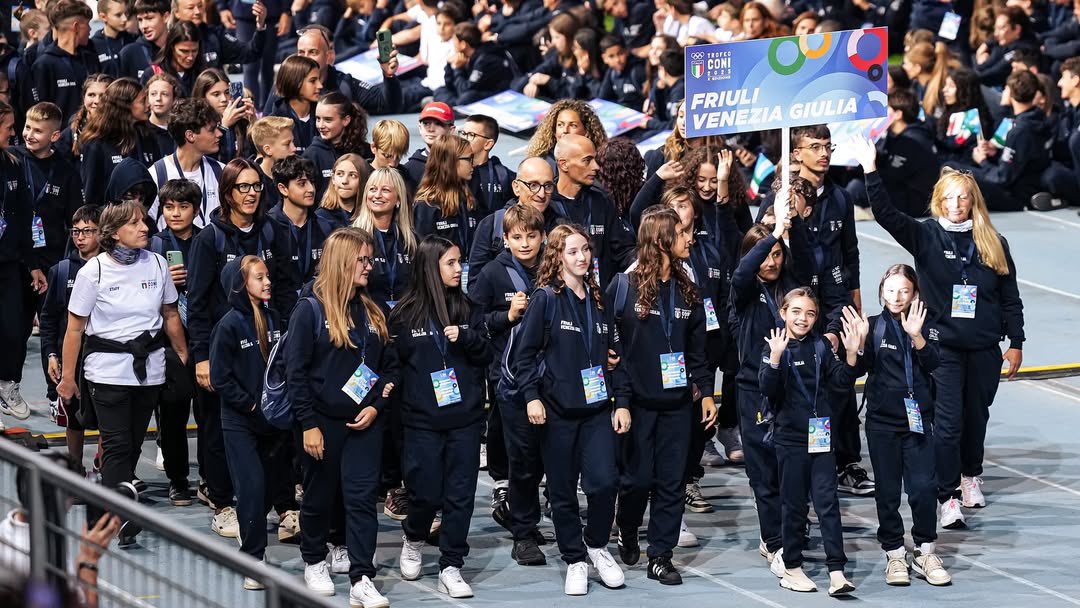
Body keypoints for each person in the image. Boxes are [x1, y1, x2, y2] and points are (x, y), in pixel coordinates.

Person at [856, 139, 1024, 530]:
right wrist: (870, 169)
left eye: (963, 198)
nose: (956, 204)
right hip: (941, 347)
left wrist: (1015, 342)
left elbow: (1010, 297)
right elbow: (884, 214)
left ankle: (970, 475)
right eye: (949, 197)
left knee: (975, 417)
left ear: (973, 201)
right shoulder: (926, 235)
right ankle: (947, 495)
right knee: (947, 424)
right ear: (938, 199)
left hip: (984, 347)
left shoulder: (993, 244)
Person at [56, 200, 189, 547]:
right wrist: (68, 379)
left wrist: (183, 354)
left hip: (149, 372)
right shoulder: (93, 271)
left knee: (130, 445)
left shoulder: (158, 263)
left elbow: (170, 313)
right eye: (134, 223)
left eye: (144, 221)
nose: (145, 227)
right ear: (114, 233)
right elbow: (74, 329)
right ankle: (122, 515)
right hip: (106, 372)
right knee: (116, 445)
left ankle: (112, 499)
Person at [509, 223, 627, 592]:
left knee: (605, 483)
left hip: (595, 410)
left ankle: (596, 545)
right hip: (557, 412)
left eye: (586, 250)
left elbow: (614, 357)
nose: (582, 257)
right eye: (573, 251)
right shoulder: (545, 298)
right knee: (561, 492)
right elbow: (523, 356)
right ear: (558, 256)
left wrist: (620, 401)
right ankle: (574, 558)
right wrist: (531, 397)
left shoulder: (598, 298)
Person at [187, 158, 300, 538]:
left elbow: (285, 288)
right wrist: (201, 355)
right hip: (225, 347)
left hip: (270, 345)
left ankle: (284, 505)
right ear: (227, 192)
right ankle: (222, 502)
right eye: (243, 187)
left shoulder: (274, 229)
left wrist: (285, 337)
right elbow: (198, 302)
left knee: (278, 425)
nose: (251, 194)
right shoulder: (209, 238)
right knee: (221, 428)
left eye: (256, 186)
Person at [287, 228, 395, 606]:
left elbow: (388, 367)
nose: (369, 267)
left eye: (370, 259)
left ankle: (362, 575)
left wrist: (375, 406)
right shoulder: (310, 309)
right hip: (322, 422)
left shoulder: (371, 309)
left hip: (365, 423)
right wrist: (308, 424)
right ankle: (314, 559)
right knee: (319, 496)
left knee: (363, 500)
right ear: (341, 262)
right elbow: (295, 373)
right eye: (362, 260)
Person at [610, 207, 714, 586]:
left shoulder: (689, 289)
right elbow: (612, 349)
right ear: (661, 241)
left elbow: (697, 347)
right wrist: (621, 400)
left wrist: (703, 391)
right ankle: (628, 525)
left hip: (678, 406)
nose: (690, 239)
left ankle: (660, 555)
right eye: (683, 233)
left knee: (671, 482)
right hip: (637, 405)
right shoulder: (624, 287)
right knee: (636, 481)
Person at [389, 236, 492, 600]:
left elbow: (485, 354)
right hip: (421, 423)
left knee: (461, 496)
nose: (458, 269)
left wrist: (466, 338)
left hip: (464, 420)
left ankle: (451, 565)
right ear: (431, 267)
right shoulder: (403, 315)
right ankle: (414, 536)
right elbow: (394, 367)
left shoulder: (469, 308)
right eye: (450, 263)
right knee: (425, 493)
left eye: (459, 262)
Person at [852, 264, 952, 587]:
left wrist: (917, 337)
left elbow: (936, 363)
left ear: (914, 294)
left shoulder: (925, 323)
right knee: (887, 491)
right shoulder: (872, 327)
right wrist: (856, 348)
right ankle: (894, 551)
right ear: (881, 291)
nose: (897, 297)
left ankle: (925, 550)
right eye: (891, 290)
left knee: (924, 487)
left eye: (904, 291)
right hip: (882, 424)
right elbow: (857, 371)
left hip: (919, 421)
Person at [758, 288, 861, 595]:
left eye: (810, 313)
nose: (803, 318)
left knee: (828, 503)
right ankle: (791, 566)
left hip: (821, 436)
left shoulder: (819, 346)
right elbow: (767, 389)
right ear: (783, 313)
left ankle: (836, 570)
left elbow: (842, 382)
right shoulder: (774, 345)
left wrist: (852, 353)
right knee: (793, 505)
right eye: (796, 312)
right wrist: (775, 359)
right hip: (790, 440)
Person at [209, 255, 296, 590]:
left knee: (270, 490)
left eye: (268, 276)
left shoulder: (275, 318)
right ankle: (253, 560)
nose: (268, 282)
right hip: (241, 422)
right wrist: (250, 404)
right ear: (241, 284)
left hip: (273, 423)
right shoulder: (229, 325)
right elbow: (220, 376)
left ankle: (254, 534)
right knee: (252, 486)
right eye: (259, 278)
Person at [468, 204, 546, 556]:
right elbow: (475, 324)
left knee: (546, 460)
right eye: (518, 237)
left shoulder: (553, 269)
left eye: (532, 236)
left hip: (552, 378)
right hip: (511, 380)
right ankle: (524, 533)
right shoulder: (492, 275)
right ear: (505, 239)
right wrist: (507, 315)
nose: (525, 243)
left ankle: (525, 515)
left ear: (543, 237)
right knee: (523, 460)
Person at [350, 167, 416, 520]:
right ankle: (367, 480)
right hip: (367, 334)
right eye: (372, 188)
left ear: (398, 197)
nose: (377, 194)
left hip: (402, 334)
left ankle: (395, 485)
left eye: (385, 189)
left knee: (398, 410)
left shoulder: (409, 239)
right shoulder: (354, 235)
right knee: (368, 401)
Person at [146, 178, 200, 507]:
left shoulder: (207, 240)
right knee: (172, 411)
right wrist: (164, 280)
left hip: (203, 335)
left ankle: (210, 477)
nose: (176, 213)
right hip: (166, 340)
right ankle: (178, 479)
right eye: (169, 207)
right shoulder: (153, 245)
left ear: (196, 209)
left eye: (183, 207)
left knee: (209, 415)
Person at [40, 206, 101, 471]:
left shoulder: (113, 268)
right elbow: (50, 319)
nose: (80, 237)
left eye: (87, 231)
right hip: (72, 357)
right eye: (76, 231)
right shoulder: (61, 271)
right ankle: (75, 466)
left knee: (108, 417)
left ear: (102, 232)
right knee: (73, 417)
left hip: (104, 355)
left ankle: (107, 464)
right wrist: (52, 355)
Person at [955, 70, 1052, 211]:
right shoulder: (1038, 118)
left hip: (1016, 194)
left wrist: (982, 161)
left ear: (1012, 93)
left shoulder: (1020, 129)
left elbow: (1003, 178)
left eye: (1006, 88)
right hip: (1028, 183)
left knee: (953, 169)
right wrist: (995, 152)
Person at [551, 134, 636, 286]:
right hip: (560, 300)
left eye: (595, 159)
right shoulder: (547, 205)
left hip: (599, 299)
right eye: (587, 160)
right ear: (563, 164)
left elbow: (622, 251)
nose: (596, 167)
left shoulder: (602, 201)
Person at [0, 100, 38, 423]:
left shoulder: (13, 164)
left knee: (14, 329)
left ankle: (7, 385)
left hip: (9, 263)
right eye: (9, 127)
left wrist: (34, 263)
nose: (14, 133)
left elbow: (25, 218)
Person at [16, 102, 84, 279]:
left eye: (38, 131)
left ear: (54, 136)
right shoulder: (11, 159)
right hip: (15, 254)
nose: (29, 135)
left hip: (51, 255)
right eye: (27, 127)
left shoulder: (66, 172)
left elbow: (74, 220)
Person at [468, 157, 562, 281]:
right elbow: (476, 285)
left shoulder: (560, 226)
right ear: (516, 187)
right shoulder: (492, 225)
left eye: (548, 186)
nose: (541, 194)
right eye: (533, 185)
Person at [77, 77, 162, 206]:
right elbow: (91, 197)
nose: (148, 104)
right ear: (125, 105)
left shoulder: (148, 137)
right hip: (111, 221)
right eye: (143, 100)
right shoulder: (96, 144)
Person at [412, 134, 481, 291]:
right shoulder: (427, 205)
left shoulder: (468, 200)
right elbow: (425, 256)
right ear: (451, 161)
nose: (474, 164)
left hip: (470, 276)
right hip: (441, 285)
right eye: (469, 159)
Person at [287, 24, 402, 117]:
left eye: (313, 52)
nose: (306, 58)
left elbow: (388, 105)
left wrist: (389, 76)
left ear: (328, 56)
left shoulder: (344, 84)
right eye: (301, 52)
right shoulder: (287, 83)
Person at [146, 97, 225, 229]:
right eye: (212, 130)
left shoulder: (221, 172)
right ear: (190, 135)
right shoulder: (156, 175)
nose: (219, 134)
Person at [29, 0, 95, 124]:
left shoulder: (90, 59)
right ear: (75, 27)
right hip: (59, 140)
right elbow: (40, 112)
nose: (90, 29)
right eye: (87, 24)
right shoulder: (44, 64)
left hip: (90, 136)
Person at [269, 155, 331, 284]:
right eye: (302, 184)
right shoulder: (268, 227)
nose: (311, 189)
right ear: (283, 189)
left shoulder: (325, 227)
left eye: (311, 182)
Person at [304, 92, 367, 200]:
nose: (321, 125)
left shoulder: (364, 151)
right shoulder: (311, 155)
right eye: (318, 119)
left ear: (346, 120)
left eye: (328, 120)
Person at [435, 22, 514, 106]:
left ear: (463, 45)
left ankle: (450, 105)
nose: (453, 45)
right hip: (470, 92)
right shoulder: (467, 56)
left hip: (496, 95)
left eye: (454, 41)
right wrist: (449, 65)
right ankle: (451, 105)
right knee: (439, 90)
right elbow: (449, 85)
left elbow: (465, 90)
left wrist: (458, 69)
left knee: (467, 98)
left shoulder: (484, 60)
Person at [192, 68, 257, 163]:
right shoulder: (196, 126)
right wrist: (224, 126)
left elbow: (252, 156)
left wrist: (252, 121)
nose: (224, 99)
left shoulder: (240, 123)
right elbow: (207, 161)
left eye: (227, 93)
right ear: (203, 97)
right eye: (216, 94)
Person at [459, 114, 516, 217]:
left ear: (488, 144)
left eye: (471, 135)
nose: (464, 139)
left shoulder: (504, 177)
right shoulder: (451, 169)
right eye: (463, 133)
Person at [268, 55, 323, 154]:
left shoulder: (325, 117)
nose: (320, 85)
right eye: (313, 81)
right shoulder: (272, 126)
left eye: (319, 80)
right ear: (295, 82)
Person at [140, 20, 205, 96]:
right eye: (184, 51)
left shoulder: (203, 74)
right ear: (172, 47)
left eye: (194, 51)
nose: (190, 57)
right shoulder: (153, 73)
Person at [58, 73, 112, 165]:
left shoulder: (123, 130)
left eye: (103, 96)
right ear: (83, 97)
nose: (97, 101)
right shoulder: (70, 133)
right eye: (91, 95)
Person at [403, 102, 455, 189]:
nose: (431, 129)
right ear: (420, 128)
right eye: (426, 123)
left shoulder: (462, 163)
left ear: (451, 130)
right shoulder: (409, 169)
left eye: (438, 124)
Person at [250, 115, 297, 211]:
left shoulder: (297, 173)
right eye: (287, 144)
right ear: (268, 149)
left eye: (293, 142)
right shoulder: (254, 183)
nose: (294, 148)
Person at [118, 0, 170, 80]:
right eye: (140, 20)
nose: (143, 26)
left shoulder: (178, 49)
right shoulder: (128, 54)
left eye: (149, 18)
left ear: (166, 17)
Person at [318, 153, 369, 228]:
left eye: (352, 175)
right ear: (333, 179)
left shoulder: (369, 214)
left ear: (363, 181)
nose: (344, 181)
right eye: (340, 174)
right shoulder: (321, 217)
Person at [597, 34, 646, 111]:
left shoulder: (636, 71)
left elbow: (649, 98)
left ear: (626, 51)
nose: (617, 60)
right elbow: (602, 99)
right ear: (604, 58)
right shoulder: (611, 72)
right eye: (611, 56)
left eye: (620, 53)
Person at [90, 0, 136, 77]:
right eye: (118, 15)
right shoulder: (93, 46)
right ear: (103, 17)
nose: (124, 19)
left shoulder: (134, 40)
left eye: (126, 14)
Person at [145, 72, 182, 155]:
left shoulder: (181, 131)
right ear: (147, 98)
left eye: (165, 94)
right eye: (153, 94)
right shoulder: (142, 132)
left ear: (174, 99)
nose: (158, 98)